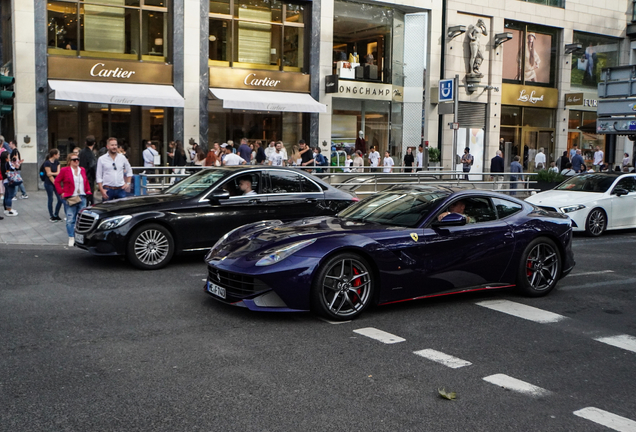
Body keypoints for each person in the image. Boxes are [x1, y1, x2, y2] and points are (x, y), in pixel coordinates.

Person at [55, 153, 92, 247]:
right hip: (70, 197)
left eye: (78, 159)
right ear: (69, 161)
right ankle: (71, 237)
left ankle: (80, 236)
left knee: (81, 218)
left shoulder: (82, 169)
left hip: (82, 196)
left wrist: (88, 190)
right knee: (70, 218)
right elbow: (57, 182)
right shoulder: (64, 170)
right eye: (74, 159)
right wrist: (61, 193)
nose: (77, 161)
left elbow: (86, 180)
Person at [96, 137, 132, 202]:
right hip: (108, 189)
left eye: (115, 145)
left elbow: (129, 170)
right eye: (112, 145)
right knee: (107, 210)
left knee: (122, 210)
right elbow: (98, 176)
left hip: (120, 188)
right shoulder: (102, 159)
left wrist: (128, 183)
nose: (114, 147)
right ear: (107, 146)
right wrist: (101, 190)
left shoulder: (122, 157)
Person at [43, 149, 63, 222]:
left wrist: (52, 173)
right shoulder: (47, 163)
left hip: (56, 182)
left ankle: (56, 214)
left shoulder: (57, 162)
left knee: (60, 199)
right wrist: (54, 182)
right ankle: (51, 216)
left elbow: (58, 173)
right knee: (50, 199)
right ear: (54, 155)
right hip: (48, 183)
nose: (59, 155)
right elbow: (49, 175)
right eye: (58, 154)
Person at [79, 135, 97, 204]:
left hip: (82, 176)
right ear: (94, 143)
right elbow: (92, 166)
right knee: (89, 195)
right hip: (89, 178)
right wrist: (95, 177)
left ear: (85, 142)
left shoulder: (81, 152)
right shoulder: (91, 154)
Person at [1, 151, 19, 216]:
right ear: (6, 158)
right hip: (9, 181)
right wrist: (14, 166)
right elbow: (9, 171)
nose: (10, 158)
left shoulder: (3, 164)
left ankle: (6, 209)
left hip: (6, 181)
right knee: (10, 195)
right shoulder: (6, 164)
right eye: (8, 156)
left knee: (7, 195)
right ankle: (9, 209)